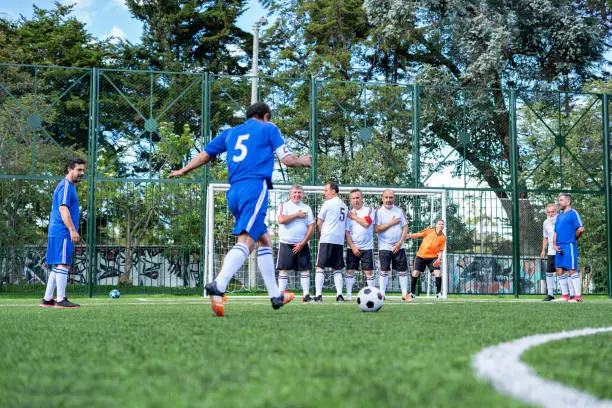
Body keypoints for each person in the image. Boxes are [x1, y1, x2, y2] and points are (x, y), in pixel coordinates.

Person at [169, 102, 311, 316]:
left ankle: (276, 296)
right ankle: (220, 284)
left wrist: (183, 170)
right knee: (245, 239)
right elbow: (287, 159)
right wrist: (303, 161)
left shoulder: (231, 132)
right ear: (266, 116)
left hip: (234, 191)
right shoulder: (269, 128)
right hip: (254, 188)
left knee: (263, 239)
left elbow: (205, 155)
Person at [40, 158, 85, 309]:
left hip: (57, 230)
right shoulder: (66, 186)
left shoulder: (68, 186)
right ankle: (60, 299)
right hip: (63, 231)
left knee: (58, 265)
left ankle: (47, 299)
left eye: (83, 170)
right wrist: (72, 230)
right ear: (69, 169)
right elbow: (63, 209)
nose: (82, 173)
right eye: (79, 170)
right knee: (63, 263)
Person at [276, 184, 315, 302]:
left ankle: (306, 296)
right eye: (295, 192)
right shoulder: (284, 206)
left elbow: (311, 226)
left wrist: (302, 243)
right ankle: (280, 296)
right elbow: (281, 220)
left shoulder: (307, 208)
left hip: (302, 244)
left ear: (302, 194)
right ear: (290, 194)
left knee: (305, 269)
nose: (297, 195)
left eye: (299, 193)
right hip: (286, 243)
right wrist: (297, 215)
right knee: (284, 269)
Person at [314, 181, 348, 302]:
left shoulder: (327, 204)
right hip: (339, 240)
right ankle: (339, 295)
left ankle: (318, 295)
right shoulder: (344, 205)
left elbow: (319, 222)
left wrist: (320, 236)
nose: (324, 193)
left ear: (334, 191)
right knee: (337, 268)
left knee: (320, 267)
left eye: (326, 190)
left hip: (327, 238)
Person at [374, 189, 409, 300]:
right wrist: (391, 223)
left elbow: (405, 228)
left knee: (403, 270)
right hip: (384, 246)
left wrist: (399, 243)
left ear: (394, 198)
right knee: (384, 270)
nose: (388, 200)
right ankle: (382, 294)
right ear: (382, 198)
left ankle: (404, 294)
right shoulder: (378, 211)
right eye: (386, 197)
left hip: (399, 246)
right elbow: (377, 229)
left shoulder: (399, 211)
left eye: (391, 197)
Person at [552, 193, 584, 303]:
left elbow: (581, 229)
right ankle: (565, 296)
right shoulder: (559, 216)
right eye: (559, 200)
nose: (559, 202)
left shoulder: (573, 213)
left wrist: (573, 239)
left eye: (561, 200)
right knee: (559, 269)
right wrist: (554, 244)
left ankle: (578, 297)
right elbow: (555, 232)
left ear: (568, 201)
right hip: (559, 246)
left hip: (569, 245)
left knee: (571, 269)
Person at [345, 188, 375, 301]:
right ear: (350, 200)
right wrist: (352, 247)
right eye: (353, 198)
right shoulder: (348, 213)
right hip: (352, 247)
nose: (356, 200)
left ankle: (371, 296)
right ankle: (348, 295)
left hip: (367, 247)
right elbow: (346, 232)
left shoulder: (369, 210)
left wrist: (353, 216)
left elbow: (367, 223)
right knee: (349, 271)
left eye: (358, 197)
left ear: (361, 198)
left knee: (368, 272)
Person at [407, 219, 446, 300]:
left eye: (442, 224)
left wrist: (439, 259)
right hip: (421, 256)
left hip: (432, 257)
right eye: (439, 224)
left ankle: (438, 293)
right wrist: (408, 236)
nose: (441, 226)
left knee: (438, 273)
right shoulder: (429, 230)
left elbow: (441, 250)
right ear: (436, 225)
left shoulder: (443, 237)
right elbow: (419, 234)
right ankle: (412, 293)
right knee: (415, 273)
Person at [540, 203, 557, 301]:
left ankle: (569, 295)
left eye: (552, 212)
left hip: (562, 249)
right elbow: (545, 237)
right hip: (551, 251)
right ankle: (550, 294)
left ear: (556, 211)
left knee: (565, 272)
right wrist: (543, 250)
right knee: (549, 272)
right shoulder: (545, 222)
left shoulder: (561, 220)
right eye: (548, 212)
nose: (550, 214)